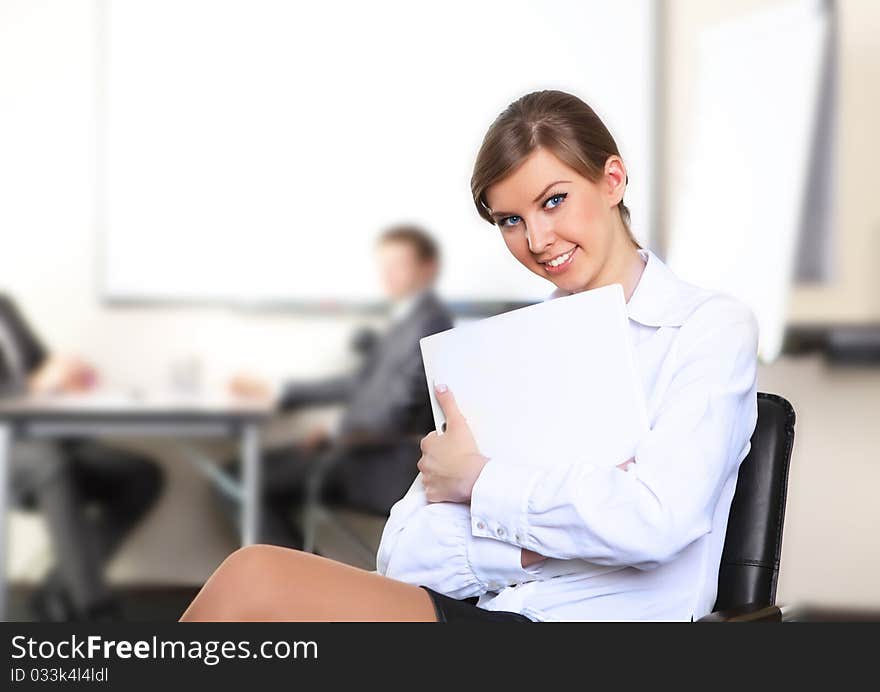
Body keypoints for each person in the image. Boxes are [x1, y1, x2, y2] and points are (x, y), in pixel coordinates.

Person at [180, 90, 758, 622]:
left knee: (257, 580)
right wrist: (547, 530)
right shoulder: (500, 352)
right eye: (511, 220)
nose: (536, 240)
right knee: (255, 581)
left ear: (612, 180)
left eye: (554, 201)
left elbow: (652, 524)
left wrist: (478, 485)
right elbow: (403, 556)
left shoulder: (707, 327)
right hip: (496, 616)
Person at [221, 225, 453, 549]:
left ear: (428, 267)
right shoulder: (408, 319)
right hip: (360, 453)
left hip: (378, 464)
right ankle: (299, 582)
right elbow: (359, 383)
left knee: (241, 477)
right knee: (241, 474)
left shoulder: (429, 323)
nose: (387, 275)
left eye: (397, 265)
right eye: (383, 265)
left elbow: (397, 411)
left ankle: (295, 587)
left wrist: (333, 432)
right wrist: (277, 390)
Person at [0, 294, 164, 620]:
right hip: (10, 448)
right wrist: (32, 385)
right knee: (51, 464)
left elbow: (45, 367)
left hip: (48, 437)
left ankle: (58, 588)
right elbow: (32, 383)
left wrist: (68, 378)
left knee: (142, 476)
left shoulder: (5, 305)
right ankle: (93, 606)